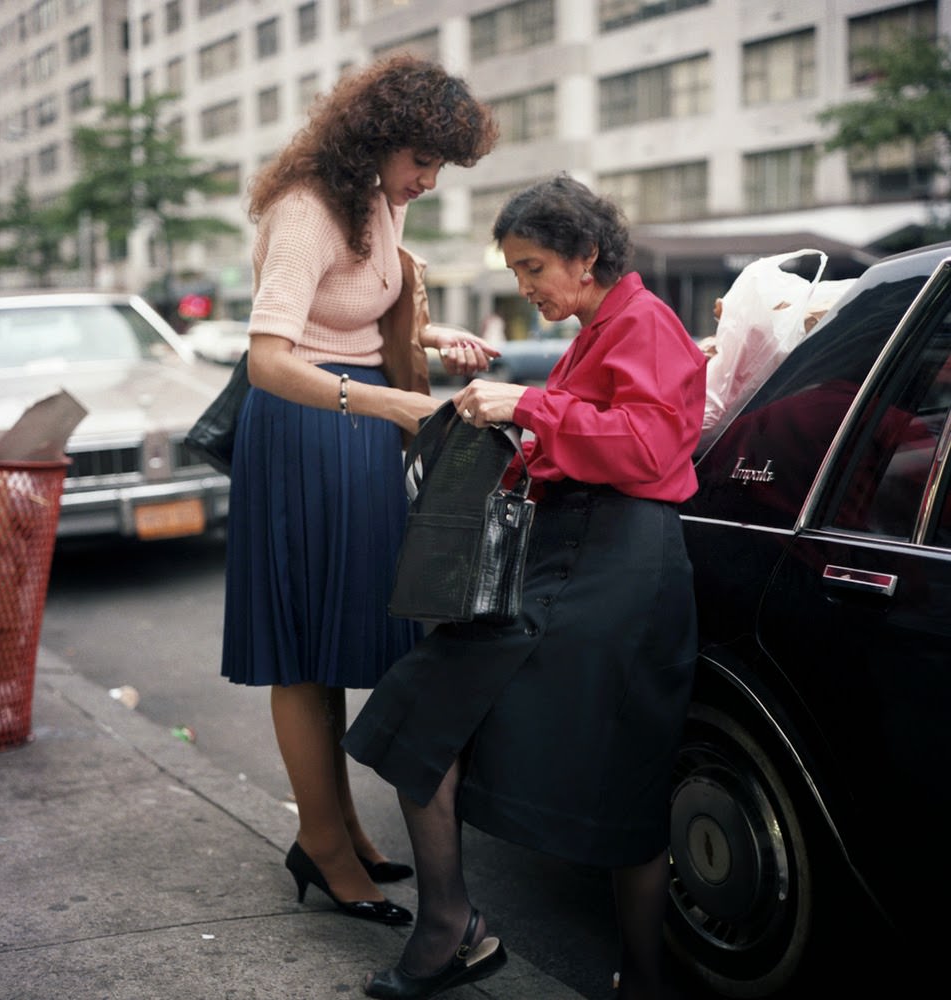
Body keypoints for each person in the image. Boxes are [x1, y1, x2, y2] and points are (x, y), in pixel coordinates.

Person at [344, 173, 707, 999]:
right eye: (516, 271)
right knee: (424, 717)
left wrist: (533, 406)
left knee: (625, 781)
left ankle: (639, 978)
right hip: (569, 559)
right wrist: (518, 421)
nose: (526, 286)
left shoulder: (643, 322)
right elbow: (593, 441)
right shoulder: (598, 327)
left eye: (534, 266)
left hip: (622, 569)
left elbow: (650, 452)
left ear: (587, 256)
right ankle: (451, 927)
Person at [220, 55, 498, 928]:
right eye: (422, 158)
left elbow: (358, 307)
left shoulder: (380, 199)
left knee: (344, 637)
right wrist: (381, 398)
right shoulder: (306, 208)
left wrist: (429, 333)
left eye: (440, 165)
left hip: (359, 430)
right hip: (305, 430)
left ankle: (338, 826)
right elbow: (270, 360)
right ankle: (325, 845)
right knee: (307, 649)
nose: (429, 178)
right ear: (378, 140)